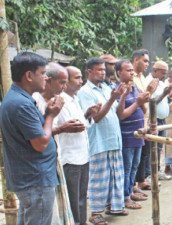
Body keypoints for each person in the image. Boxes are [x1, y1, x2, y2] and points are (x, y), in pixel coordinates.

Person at [0, 52, 63, 225]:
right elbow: (41, 143)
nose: (46, 77)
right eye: (42, 73)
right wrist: (50, 115)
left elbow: (33, 133)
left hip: (31, 177)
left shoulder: (19, 99)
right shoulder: (21, 104)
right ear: (29, 76)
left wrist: (45, 115)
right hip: (35, 180)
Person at [78, 58, 128, 225]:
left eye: (103, 70)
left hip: (113, 139)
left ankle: (113, 206)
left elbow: (117, 113)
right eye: (98, 70)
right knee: (99, 178)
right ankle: (95, 213)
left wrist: (122, 97)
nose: (102, 72)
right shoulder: (85, 92)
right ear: (90, 72)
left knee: (115, 176)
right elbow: (96, 118)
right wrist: (113, 98)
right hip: (99, 142)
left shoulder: (106, 88)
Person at [32, 62, 79, 224]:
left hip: (55, 159)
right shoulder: (34, 102)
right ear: (49, 80)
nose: (65, 86)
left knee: (58, 209)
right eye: (62, 82)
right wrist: (61, 128)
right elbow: (36, 137)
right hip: (40, 165)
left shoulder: (57, 100)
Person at [56, 66, 101, 225]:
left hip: (82, 156)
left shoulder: (74, 99)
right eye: (76, 78)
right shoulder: (61, 101)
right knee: (74, 199)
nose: (81, 81)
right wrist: (82, 120)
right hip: (71, 158)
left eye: (80, 77)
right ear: (65, 82)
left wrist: (88, 114)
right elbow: (72, 125)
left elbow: (81, 124)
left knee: (82, 196)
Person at [115, 60, 150, 210]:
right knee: (127, 167)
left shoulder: (135, 87)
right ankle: (124, 197)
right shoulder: (117, 90)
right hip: (127, 137)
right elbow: (121, 115)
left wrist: (144, 97)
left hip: (138, 135)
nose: (132, 73)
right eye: (128, 70)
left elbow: (144, 110)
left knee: (134, 166)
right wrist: (137, 101)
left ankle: (130, 191)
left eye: (132, 70)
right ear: (119, 73)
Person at [145, 61, 172, 179]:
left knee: (159, 149)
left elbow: (165, 100)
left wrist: (170, 93)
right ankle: (150, 175)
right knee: (151, 149)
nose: (164, 76)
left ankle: (157, 172)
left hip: (162, 120)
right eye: (163, 73)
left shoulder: (161, 83)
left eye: (166, 73)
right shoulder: (149, 83)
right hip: (153, 120)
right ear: (155, 71)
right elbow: (151, 102)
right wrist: (164, 94)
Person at [132, 49, 153, 191]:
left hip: (145, 120)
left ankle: (141, 180)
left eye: (147, 61)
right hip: (135, 121)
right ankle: (133, 185)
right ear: (136, 60)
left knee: (144, 153)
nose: (147, 64)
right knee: (134, 156)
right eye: (145, 61)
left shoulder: (142, 77)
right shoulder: (131, 77)